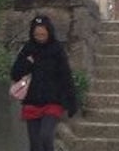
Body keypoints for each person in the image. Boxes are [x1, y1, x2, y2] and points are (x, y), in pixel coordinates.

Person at [10, 16, 75, 151]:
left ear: (49, 32)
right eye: (36, 35)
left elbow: (65, 75)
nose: (40, 37)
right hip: (32, 101)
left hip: (53, 101)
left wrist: (71, 100)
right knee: (35, 144)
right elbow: (15, 74)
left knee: (45, 136)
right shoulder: (28, 48)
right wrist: (28, 62)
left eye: (43, 34)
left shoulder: (57, 49)